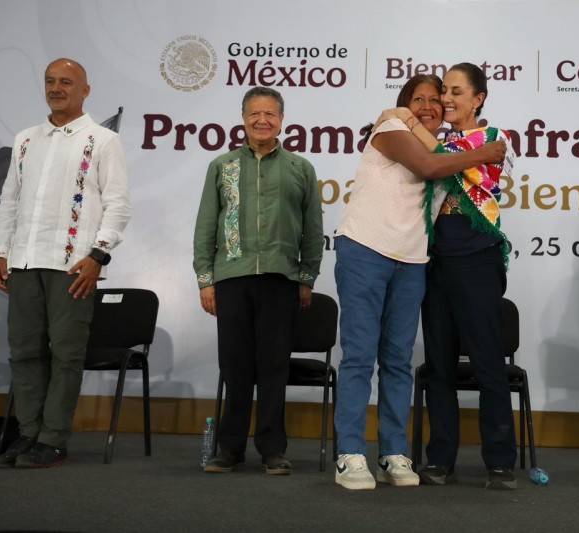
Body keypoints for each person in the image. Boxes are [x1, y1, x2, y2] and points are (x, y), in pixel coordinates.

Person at [333, 74, 506, 490]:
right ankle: (350, 454)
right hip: (366, 249)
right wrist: (483, 152)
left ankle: (393, 453)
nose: (430, 105)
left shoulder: (442, 144)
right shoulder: (392, 126)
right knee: (360, 357)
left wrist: (482, 150)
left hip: (412, 260)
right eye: (419, 99)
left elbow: (442, 160)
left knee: (397, 361)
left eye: (437, 98)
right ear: (404, 103)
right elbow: (429, 166)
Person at [0, 58, 131, 468]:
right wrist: (1, 252)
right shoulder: (25, 139)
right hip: (24, 262)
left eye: (66, 82)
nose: (56, 88)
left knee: (66, 355)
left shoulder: (102, 140)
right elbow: (9, 202)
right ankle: (28, 434)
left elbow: (118, 205)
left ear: (85, 90)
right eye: (50, 81)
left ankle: (53, 439)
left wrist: (98, 255)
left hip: (73, 266)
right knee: (24, 352)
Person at [193, 87, 323, 476]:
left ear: (281, 120)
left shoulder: (300, 168)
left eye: (269, 114)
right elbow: (206, 225)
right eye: (254, 113)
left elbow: (313, 230)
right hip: (232, 277)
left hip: (281, 279)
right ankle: (229, 449)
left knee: (273, 367)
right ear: (243, 118)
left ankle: (272, 449)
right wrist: (205, 279)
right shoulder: (222, 166)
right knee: (235, 366)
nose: (261, 120)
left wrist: (306, 277)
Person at [418, 63, 518, 490]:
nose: (446, 99)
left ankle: (500, 462)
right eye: (443, 91)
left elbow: (444, 162)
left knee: (487, 363)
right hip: (434, 261)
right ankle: (440, 459)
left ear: (479, 99)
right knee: (439, 365)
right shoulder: (435, 144)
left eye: (456, 92)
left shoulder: (492, 138)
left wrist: (412, 130)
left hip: (477, 258)